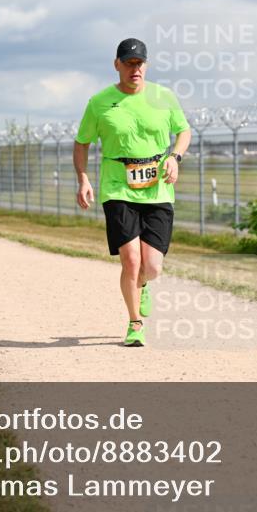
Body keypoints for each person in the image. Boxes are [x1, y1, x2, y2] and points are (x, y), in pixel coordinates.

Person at [73, 37, 192, 347]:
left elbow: (184, 131)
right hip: (117, 188)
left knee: (151, 266)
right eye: (128, 63)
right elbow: (82, 142)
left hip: (158, 190)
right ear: (117, 65)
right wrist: (83, 179)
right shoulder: (99, 102)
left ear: (146, 66)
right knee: (131, 260)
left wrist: (175, 158)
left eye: (139, 64)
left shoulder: (163, 97)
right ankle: (134, 323)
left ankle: (143, 284)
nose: (134, 69)